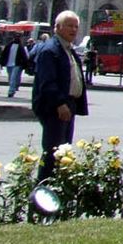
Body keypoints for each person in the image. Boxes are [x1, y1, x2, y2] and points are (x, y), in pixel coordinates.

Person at [32, 11, 88, 182]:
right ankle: (43, 189)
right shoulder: (51, 50)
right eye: (69, 26)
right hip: (56, 107)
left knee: (63, 150)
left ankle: (56, 186)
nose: (74, 29)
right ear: (57, 27)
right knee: (53, 151)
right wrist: (59, 103)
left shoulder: (68, 49)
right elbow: (47, 81)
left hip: (68, 104)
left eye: (76, 26)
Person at [2, 31, 28, 98]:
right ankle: (12, 88)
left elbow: (24, 56)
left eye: (18, 37)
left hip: (16, 64)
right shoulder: (9, 45)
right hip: (9, 64)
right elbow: (4, 54)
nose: (17, 38)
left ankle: (11, 91)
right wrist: (1, 62)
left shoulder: (21, 47)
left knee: (13, 78)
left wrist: (25, 65)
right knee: (10, 78)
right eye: (16, 37)